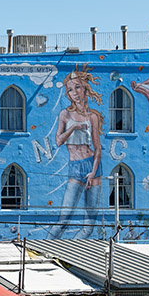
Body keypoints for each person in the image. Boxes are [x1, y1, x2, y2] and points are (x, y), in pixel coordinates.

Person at [47, 66, 104, 239]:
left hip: (92, 167)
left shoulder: (92, 116)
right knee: (64, 219)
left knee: (89, 225)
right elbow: (58, 141)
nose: (74, 93)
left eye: (77, 87)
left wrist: (93, 173)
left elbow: (98, 148)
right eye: (70, 90)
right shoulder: (65, 114)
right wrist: (73, 127)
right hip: (75, 166)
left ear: (85, 88)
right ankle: (44, 247)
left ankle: (70, 253)